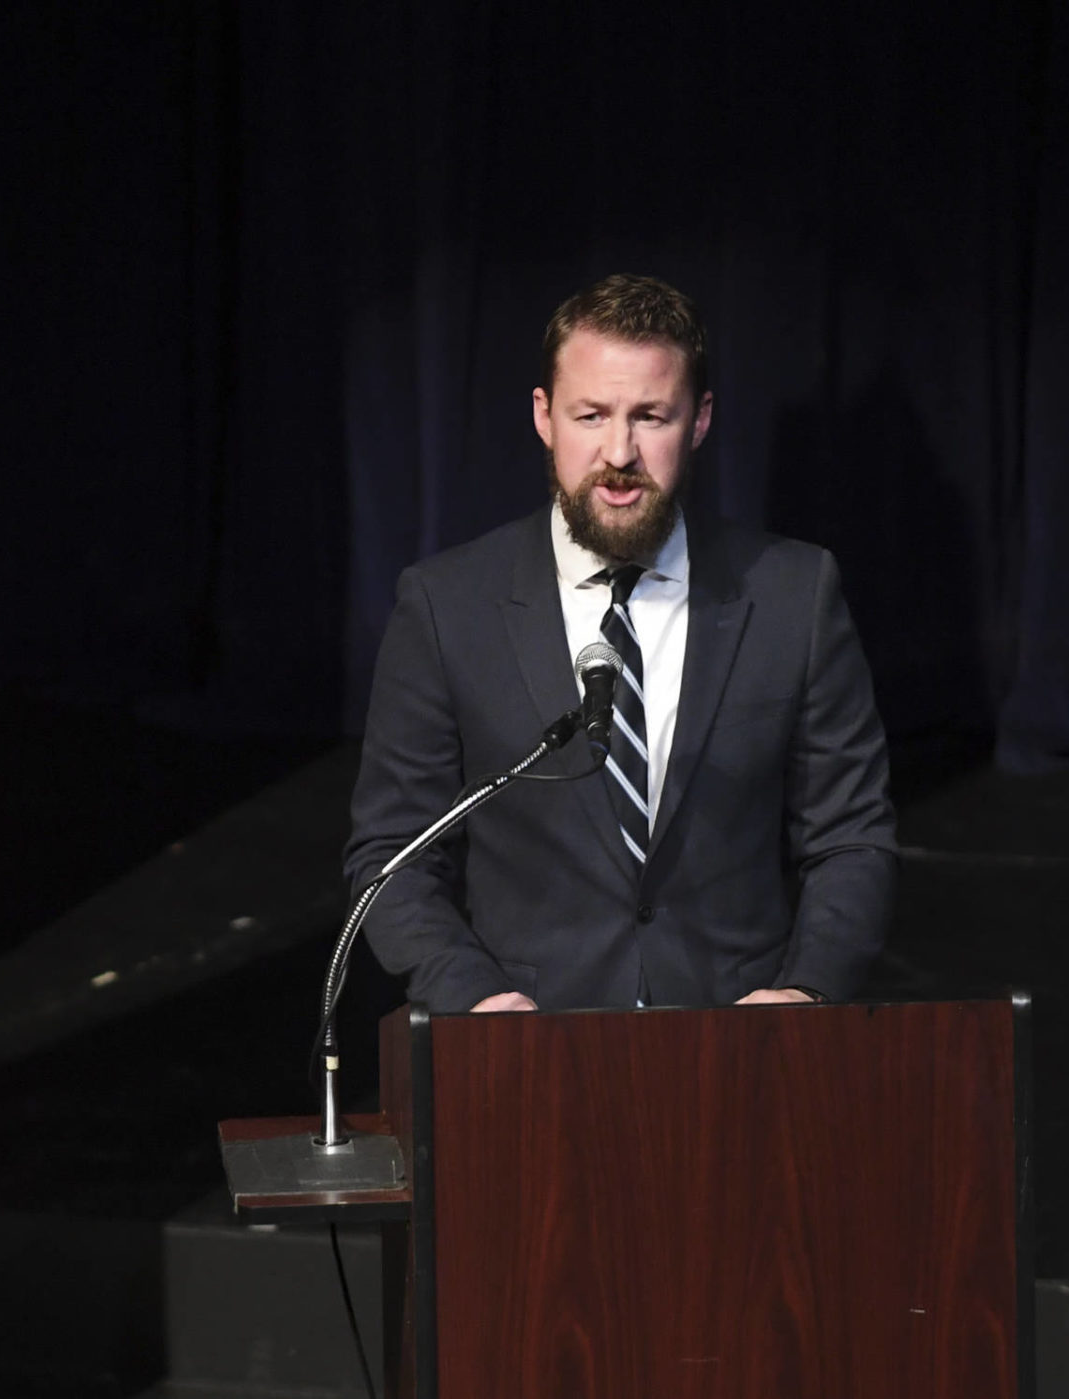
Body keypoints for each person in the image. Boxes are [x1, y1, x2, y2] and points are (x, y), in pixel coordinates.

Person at [344, 274, 897, 1013]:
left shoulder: (796, 594)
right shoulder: (448, 606)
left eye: (650, 416)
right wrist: (475, 999)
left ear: (699, 420)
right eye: (591, 414)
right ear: (545, 416)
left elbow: (851, 835)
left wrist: (805, 988)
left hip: (738, 1052)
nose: (619, 452)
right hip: (527, 1059)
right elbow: (394, 852)